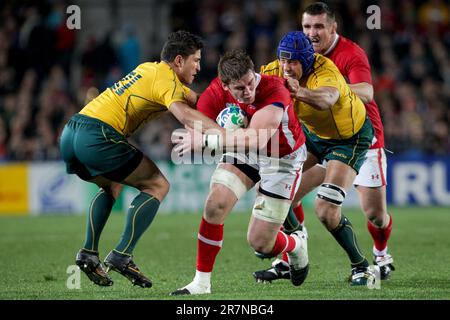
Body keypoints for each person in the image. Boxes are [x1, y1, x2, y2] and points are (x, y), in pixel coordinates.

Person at [59, 30, 222, 288]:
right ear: (179, 61)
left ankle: (89, 252)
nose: (199, 67)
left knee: (110, 185)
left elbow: (198, 102)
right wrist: (224, 133)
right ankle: (122, 255)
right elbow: (186, 116)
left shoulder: (151, 69)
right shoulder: (166, 80)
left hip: (72, 133)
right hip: (98, 135)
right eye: (196, 60)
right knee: (158, 185)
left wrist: (230, 106)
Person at [254, 2, 394, 284]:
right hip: (317, 136)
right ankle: (293, 251)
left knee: (374, 214)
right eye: (307, 27)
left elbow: (366, 91)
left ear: (333, 27)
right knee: (278, 191)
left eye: (318, 27)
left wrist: (323, 90)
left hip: (357, 136)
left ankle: (381, 257)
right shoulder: (290, 60)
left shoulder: (346, 56)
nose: (312, 33)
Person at [170, 49, 309, 295]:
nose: (249, 92)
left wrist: (206, 142)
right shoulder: (215, 91)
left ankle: (296, 244)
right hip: (243, 150)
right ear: (225, 86)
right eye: (240, 89)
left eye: (250, 82)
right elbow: (198, 123)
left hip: (281, 159)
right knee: (215, 204)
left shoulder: (275, 90)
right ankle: (201, 283)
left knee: (261, 243)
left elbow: (255, 139)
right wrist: (196, 134)